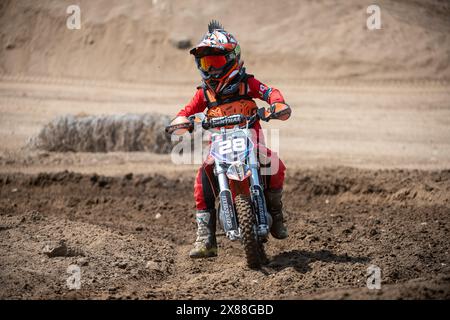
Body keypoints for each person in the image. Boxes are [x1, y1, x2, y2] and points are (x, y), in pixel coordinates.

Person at [170, 20, 291, 258]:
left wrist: (276, 104)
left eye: (215, 61)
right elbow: (184, 112)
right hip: (220, 148)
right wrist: (181, 121)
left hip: (252, 144)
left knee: (276, 165)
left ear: (232, 58)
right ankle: (205, 239)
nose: (211, 68)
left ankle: (276, 217)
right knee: (201, 179)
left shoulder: (247, 84)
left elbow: (269, 92)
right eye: (205, 62)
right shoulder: (204, 92)